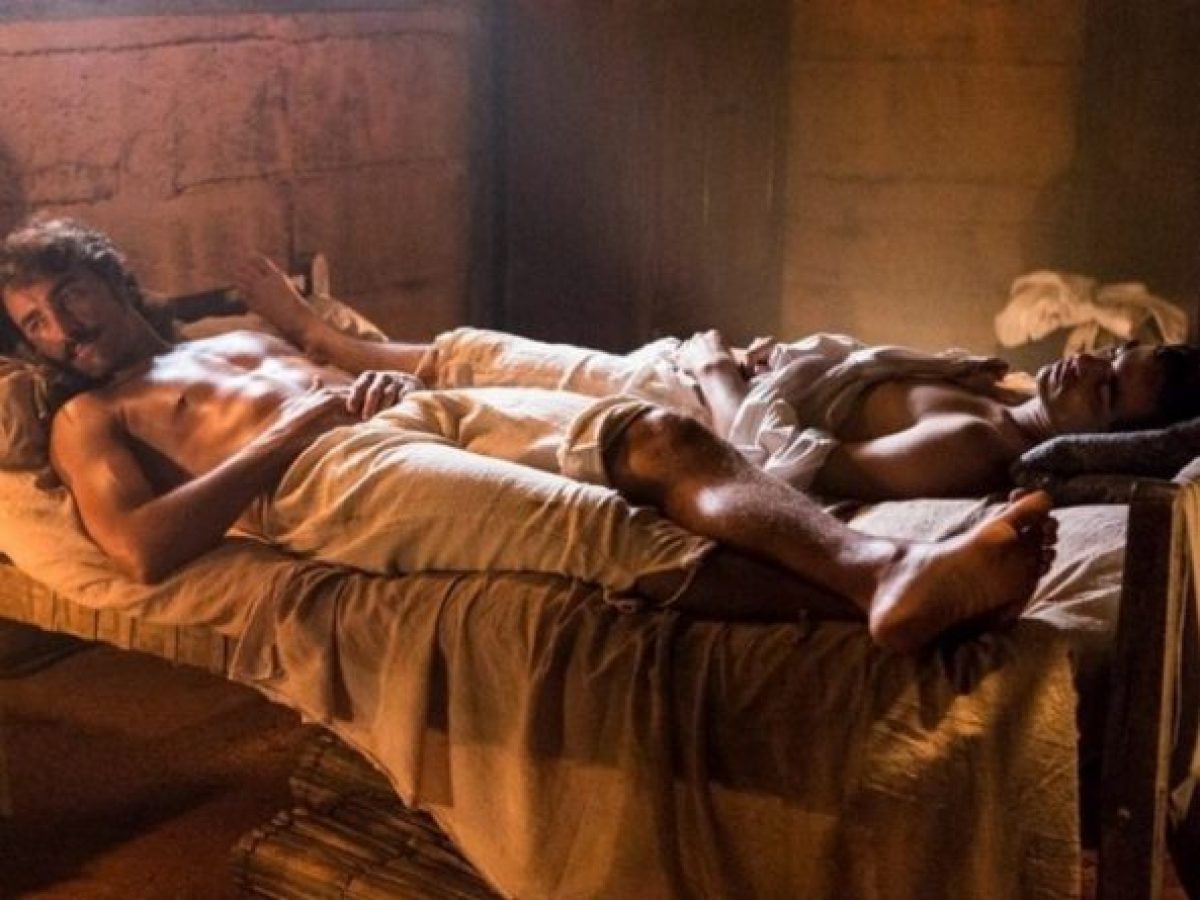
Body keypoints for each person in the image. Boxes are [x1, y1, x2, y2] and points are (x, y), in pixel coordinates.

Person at [0, 217, 1059, 655]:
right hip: (331, 477)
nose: (62, 329)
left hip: (406, 410)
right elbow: (140, 551)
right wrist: (302, 429)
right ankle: (879, 592)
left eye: (67, 296)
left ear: (111, 276)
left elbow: (337, 352)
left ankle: (886, 570)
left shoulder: (231, 332)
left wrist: (344, 361)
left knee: (657, 435)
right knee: (602, 527)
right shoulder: (90, 419)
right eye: (36, 325)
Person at [237, 261, 1200, 501]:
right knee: (490, 352)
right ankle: (329, 345)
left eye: (1108, 390)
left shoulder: (977, 442)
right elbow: (848, 387)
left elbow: (792, 475)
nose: (1088, 363)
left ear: (1104, 440)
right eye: (1112, 356)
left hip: (688, 407)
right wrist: (793, 362)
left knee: (486, 373)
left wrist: (718, 376)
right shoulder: (999, 389)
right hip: (713, 380)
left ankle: (323, 347)